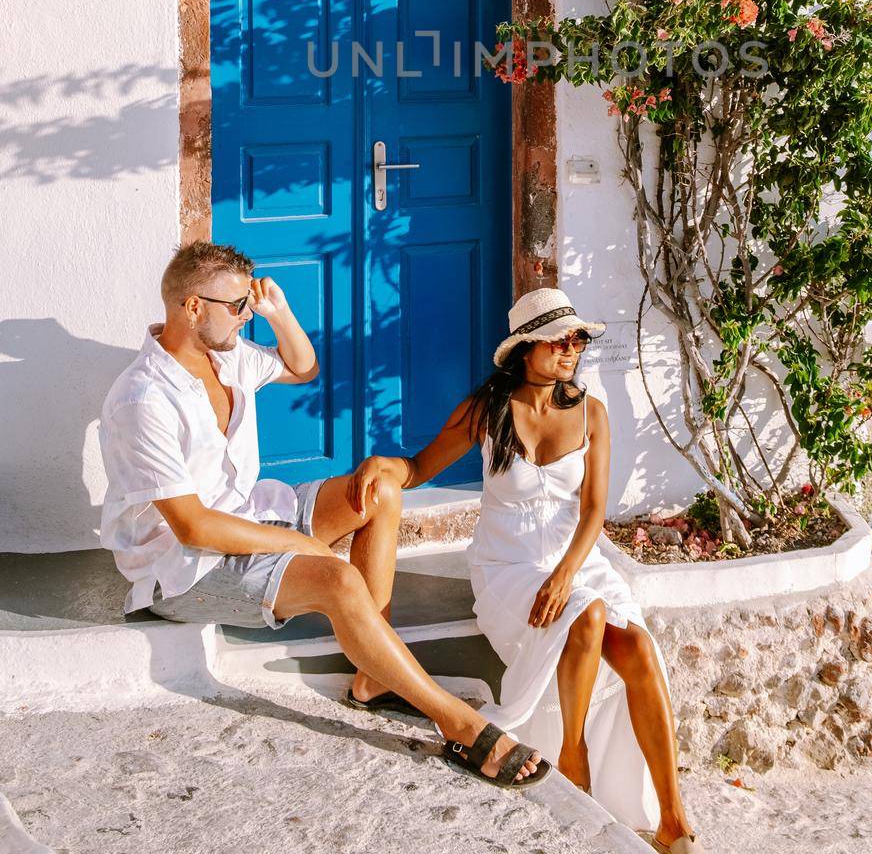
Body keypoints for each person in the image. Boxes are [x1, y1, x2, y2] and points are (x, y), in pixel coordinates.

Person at [98, 239, 549, 791]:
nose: (246, 315)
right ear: (192, 308)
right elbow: (193, 526)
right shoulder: (142, 399)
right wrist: (302, 547)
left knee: (380, 486)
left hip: (252, 512)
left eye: (248, 303)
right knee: (336, 578)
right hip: (184, 567)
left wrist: (277, 310)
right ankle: (460, 723)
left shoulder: (227, 357)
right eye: (237, 305)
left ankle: (372, 676)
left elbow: (303, 366)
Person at [352, 286, 698, 853]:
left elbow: (594, 513)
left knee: (637, 646)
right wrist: (384, 464)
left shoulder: (592, 413)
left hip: (576, 561)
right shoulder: (487, 410)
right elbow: (419, 467)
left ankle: (674, 820)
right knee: (587, 615)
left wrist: (565, 573)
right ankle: (574, 753)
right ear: (525, 349)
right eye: (559, 339)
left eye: (578, 338)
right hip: (506, 567)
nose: (572, 348)